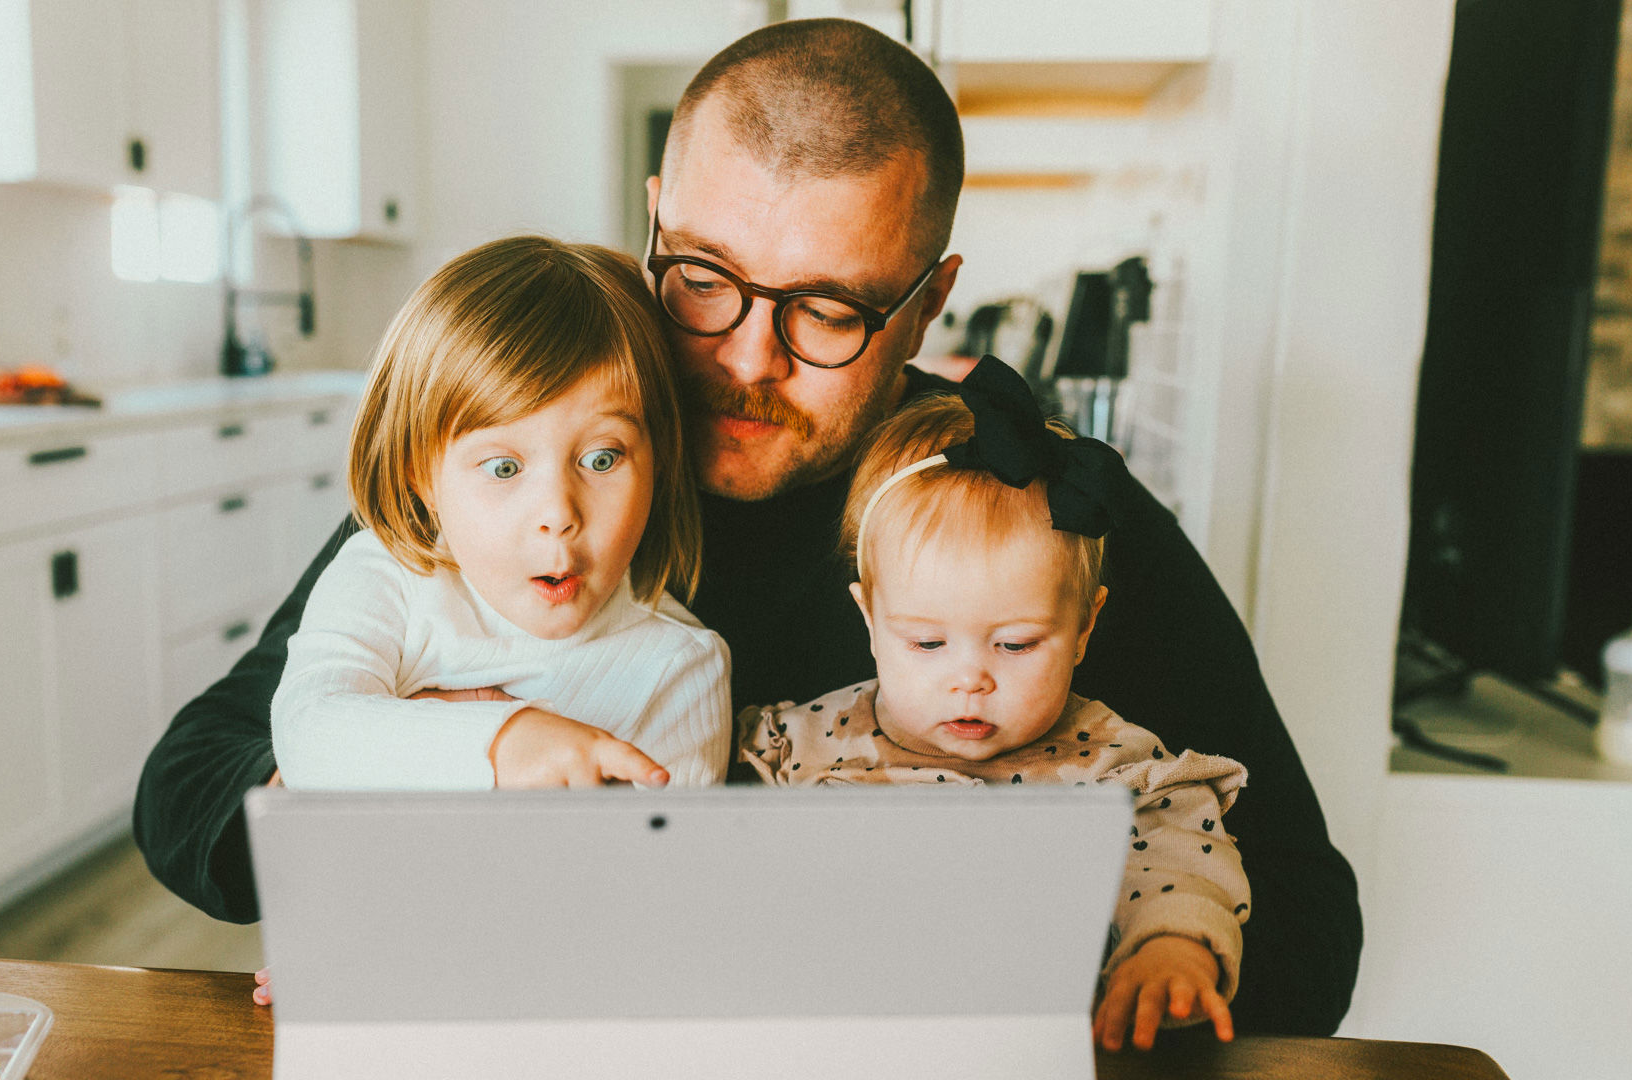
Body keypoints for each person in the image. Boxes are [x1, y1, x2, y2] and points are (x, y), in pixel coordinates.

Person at [136, 17, 1361, 1035]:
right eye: (704, 279)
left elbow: (1306, 910)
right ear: (656, 217)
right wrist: (399, 797)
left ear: (930, 300)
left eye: (827, 308)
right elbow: (191, 790)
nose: (742, 362)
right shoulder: (528, 481)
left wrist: (1094, 968)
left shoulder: (1026, 506)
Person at [737, 360, 1250, 1051]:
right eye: (925, 641)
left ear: (1083, 629)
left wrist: (1172, 953)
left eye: (1013, 645)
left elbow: (1177, 870)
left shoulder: (1117, 772)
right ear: (868, 618)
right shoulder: (795, 745)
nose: (969, 679)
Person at [271, 235, 729, 793]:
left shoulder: (679, 669)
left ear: (657, 461)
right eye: (504, 469)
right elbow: (307, 733)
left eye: (601, 458)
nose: (558, 514)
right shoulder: (384, 579)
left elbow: (659, 873)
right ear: (422, 477)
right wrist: (504, 742)